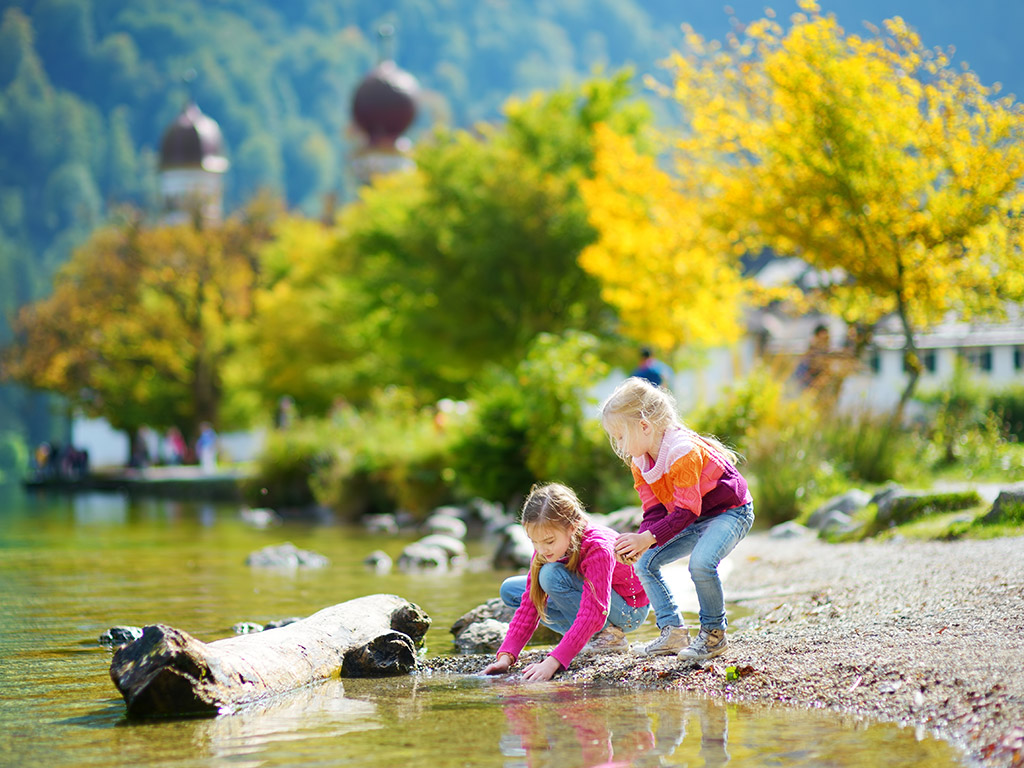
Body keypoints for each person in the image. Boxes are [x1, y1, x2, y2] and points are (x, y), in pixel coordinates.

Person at [599, 378, 754, 661]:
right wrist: (640, 543)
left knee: (701, 564)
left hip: (730, 511)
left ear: (644, 426)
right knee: (646, 562)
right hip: (694, 517)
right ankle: (673, 632)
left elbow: (686, 511)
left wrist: (646, 537)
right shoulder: (641, 461)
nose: (618, 445)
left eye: (620, 436)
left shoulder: (681, 450)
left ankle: (713, 635)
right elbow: (655, 510)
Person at [481, 483, 650, 682]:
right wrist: (506, 657)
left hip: (627, 610)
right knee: (511, 589)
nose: (541, 549)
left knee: (550, 575)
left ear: (573, 527)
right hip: (596, 603)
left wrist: (554, 661)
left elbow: (595, 611)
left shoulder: (598, 548)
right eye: (534, 542)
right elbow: (530, 604)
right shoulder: (546, 547)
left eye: (549, 541)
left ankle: (607, 638)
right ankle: (586, 638)